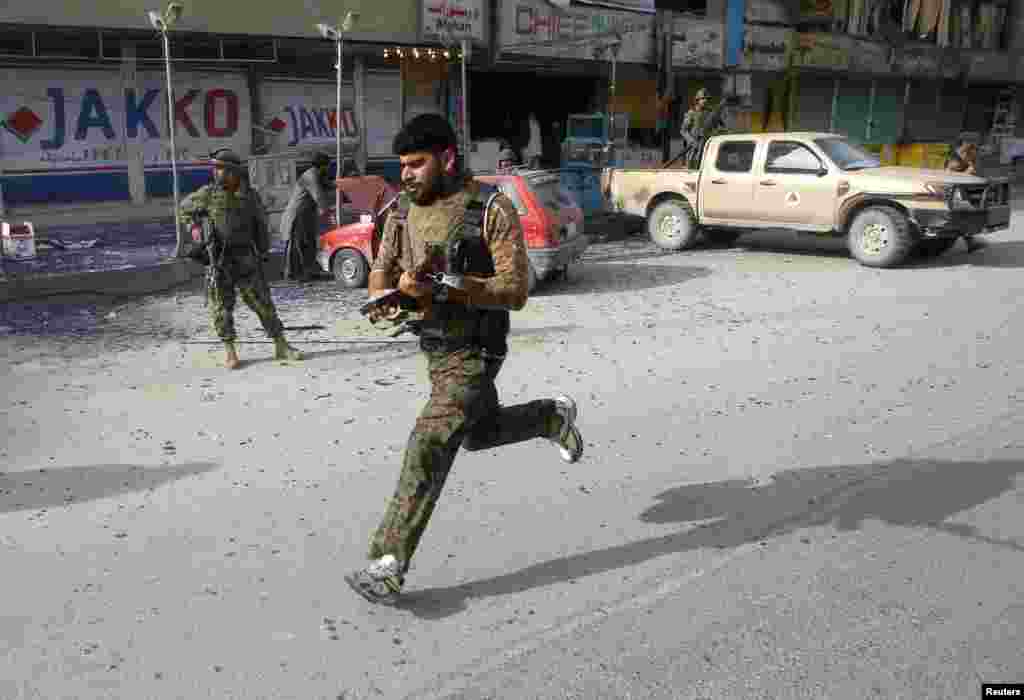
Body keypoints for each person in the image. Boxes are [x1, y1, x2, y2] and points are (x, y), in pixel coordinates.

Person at [344, 114, 584, 604]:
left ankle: (388, 562)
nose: (407, 174)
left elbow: (515, 290)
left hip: (477, 347)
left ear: (447, 158)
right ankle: (549, 417)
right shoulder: (400, 210)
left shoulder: (490, 207)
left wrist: (453, 288)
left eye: (417, 163)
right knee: (476, 433)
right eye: (402, 165)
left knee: (429, 441)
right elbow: (381, 269)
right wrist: (385, 297)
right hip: (435, 347)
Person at [179, 149, 304, 370]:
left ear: (233, 172)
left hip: (246, 257)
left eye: (220, 168)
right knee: (221, 307)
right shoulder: (208, 194)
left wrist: (263, 250)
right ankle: (230, 352)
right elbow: (184, 209)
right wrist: (195, 228)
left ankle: (281, 345)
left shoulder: (250, 196)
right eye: (215, 168)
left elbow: (260, 224)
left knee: (263, 303)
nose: (215, 172)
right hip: (219, 260)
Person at [281, 151, 331, 282]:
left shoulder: (316, 175)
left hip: (306, 215)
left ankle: (310, 271)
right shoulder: (311, 176)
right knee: (298, 244)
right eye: (327, 166)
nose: (328, 169)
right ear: (323, 166)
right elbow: (318, 196)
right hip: (297, 215)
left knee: (309, 243)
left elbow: (328, 186)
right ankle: (294, 274)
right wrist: (328, 212)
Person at [679, 88, 727, 169]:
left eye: (707, 99)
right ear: (698, 100)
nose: (705, 100)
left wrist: (715, 132)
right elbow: (683, 131)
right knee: (691, 168)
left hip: (707, 147)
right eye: (703, 98)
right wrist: (692, 141)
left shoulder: (711, 114)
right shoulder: (692, 113)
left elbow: (722, 128)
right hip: (694, 148)